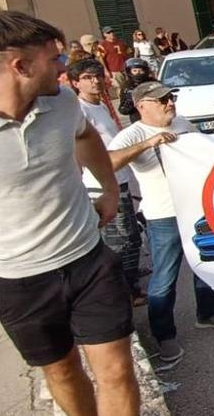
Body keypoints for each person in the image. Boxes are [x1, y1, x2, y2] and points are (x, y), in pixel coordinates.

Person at [0, 12, 140, 415]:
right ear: (20, 66)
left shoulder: (62, 103)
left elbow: (86, 135)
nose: (65, 69)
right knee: (62, 371)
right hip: (17, 280)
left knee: (116, 371)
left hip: (88, 260)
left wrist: (111, 191)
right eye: (55, 60)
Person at [107, 81, 214, 370]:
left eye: (170, 97)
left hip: (196, 211)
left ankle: (207, 313)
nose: (170, 103)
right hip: (163, 216)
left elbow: (208, 149)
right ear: (142, 106)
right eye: (162, 100)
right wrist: (147, 144)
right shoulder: (131, 135)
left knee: (207, 263)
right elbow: (108, 162)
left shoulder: (182, 123)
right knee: (165, 277)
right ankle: (164, 335)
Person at [69, 59, 142, 305]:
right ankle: (126, 291)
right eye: (88, 77)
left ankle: (130, 281)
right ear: (75, 82)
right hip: (99, 184)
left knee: (131, 236)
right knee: (121, 239)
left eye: (98, 76)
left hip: (120, 178)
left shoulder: (100, 105)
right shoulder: (80, 111)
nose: (95, 81)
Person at [97, 26, 132, 100]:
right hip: (114, 69)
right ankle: (122, 101)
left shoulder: (120, 42)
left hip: (125, 67)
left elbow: (128, 51)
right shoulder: (102, 45)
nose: (111, 34)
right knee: (119, 87)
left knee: (128, 86)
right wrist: (106, 70)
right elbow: (100, 58)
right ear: (104, 34)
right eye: (108, 33)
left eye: (112, 31)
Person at [117, 58, 154, 123]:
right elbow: (123, 110)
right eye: (135, 71)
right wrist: (130, 101)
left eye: (141, 70)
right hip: (138, 120)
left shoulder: (153, 83)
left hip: (155, 116)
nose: (138, 73)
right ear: (129, 72)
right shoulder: (127, 86)